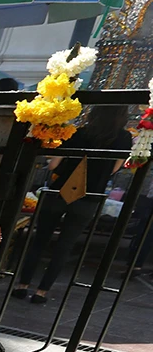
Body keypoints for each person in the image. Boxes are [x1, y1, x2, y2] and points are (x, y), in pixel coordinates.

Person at [14, 105, 130, 304]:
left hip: (58, 192)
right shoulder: (124, 138)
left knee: (39, 240)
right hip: (90, 196)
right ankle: (42, 292)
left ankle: (22, 286)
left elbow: (53, 165)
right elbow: (114, 169)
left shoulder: (77, 132)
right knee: (65, 245)